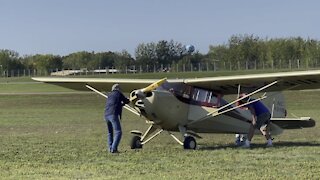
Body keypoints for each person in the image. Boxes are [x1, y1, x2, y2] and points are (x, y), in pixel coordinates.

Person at [104, 84, 130, 153]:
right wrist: (129, 99)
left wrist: (122, 104)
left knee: (110, 132)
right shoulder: (118, 93)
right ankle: (114, 149)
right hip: (113, 114)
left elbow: (115, 103)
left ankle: (110, 148)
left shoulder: (110, 95)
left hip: (106, 114)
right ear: (118, 89)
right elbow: (126, 101)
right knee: (118, 132)